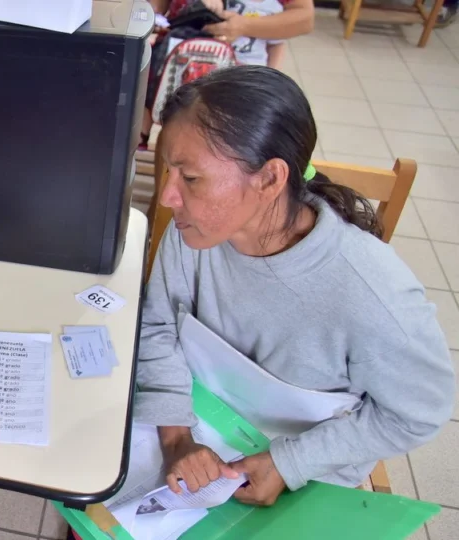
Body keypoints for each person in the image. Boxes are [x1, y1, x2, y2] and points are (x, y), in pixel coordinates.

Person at [135, 65, 455, 506]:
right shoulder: (195, 228)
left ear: (269, 179)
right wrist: (176, 439)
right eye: (167, 169)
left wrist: (290, 463)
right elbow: (158, 325)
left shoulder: (373, 294)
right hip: (195, 425)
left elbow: (418, 414)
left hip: (308, 470)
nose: (169, 196)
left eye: (190, 178)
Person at [137, 0, 314, 149]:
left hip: (241, 79)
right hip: (189, 63)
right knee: (176, 126)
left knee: (225, 138)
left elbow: (296, 25)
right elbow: (156, 7)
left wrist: (245, 26)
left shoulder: (270, 8)